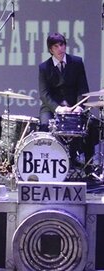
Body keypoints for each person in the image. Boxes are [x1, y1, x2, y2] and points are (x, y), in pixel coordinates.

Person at [38, 32, 98, 176]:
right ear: (51, 49)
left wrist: (79, 106)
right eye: (56, 46)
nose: (60, 49)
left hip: (74, 107)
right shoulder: (44, 67)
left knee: (91, 126)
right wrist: (58, 108)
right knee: (45, 125)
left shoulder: (76, 62)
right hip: (52, 107)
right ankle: (49, 167)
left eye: (62, 45)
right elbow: (44, 94)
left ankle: (88, 168)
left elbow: (83, 88)